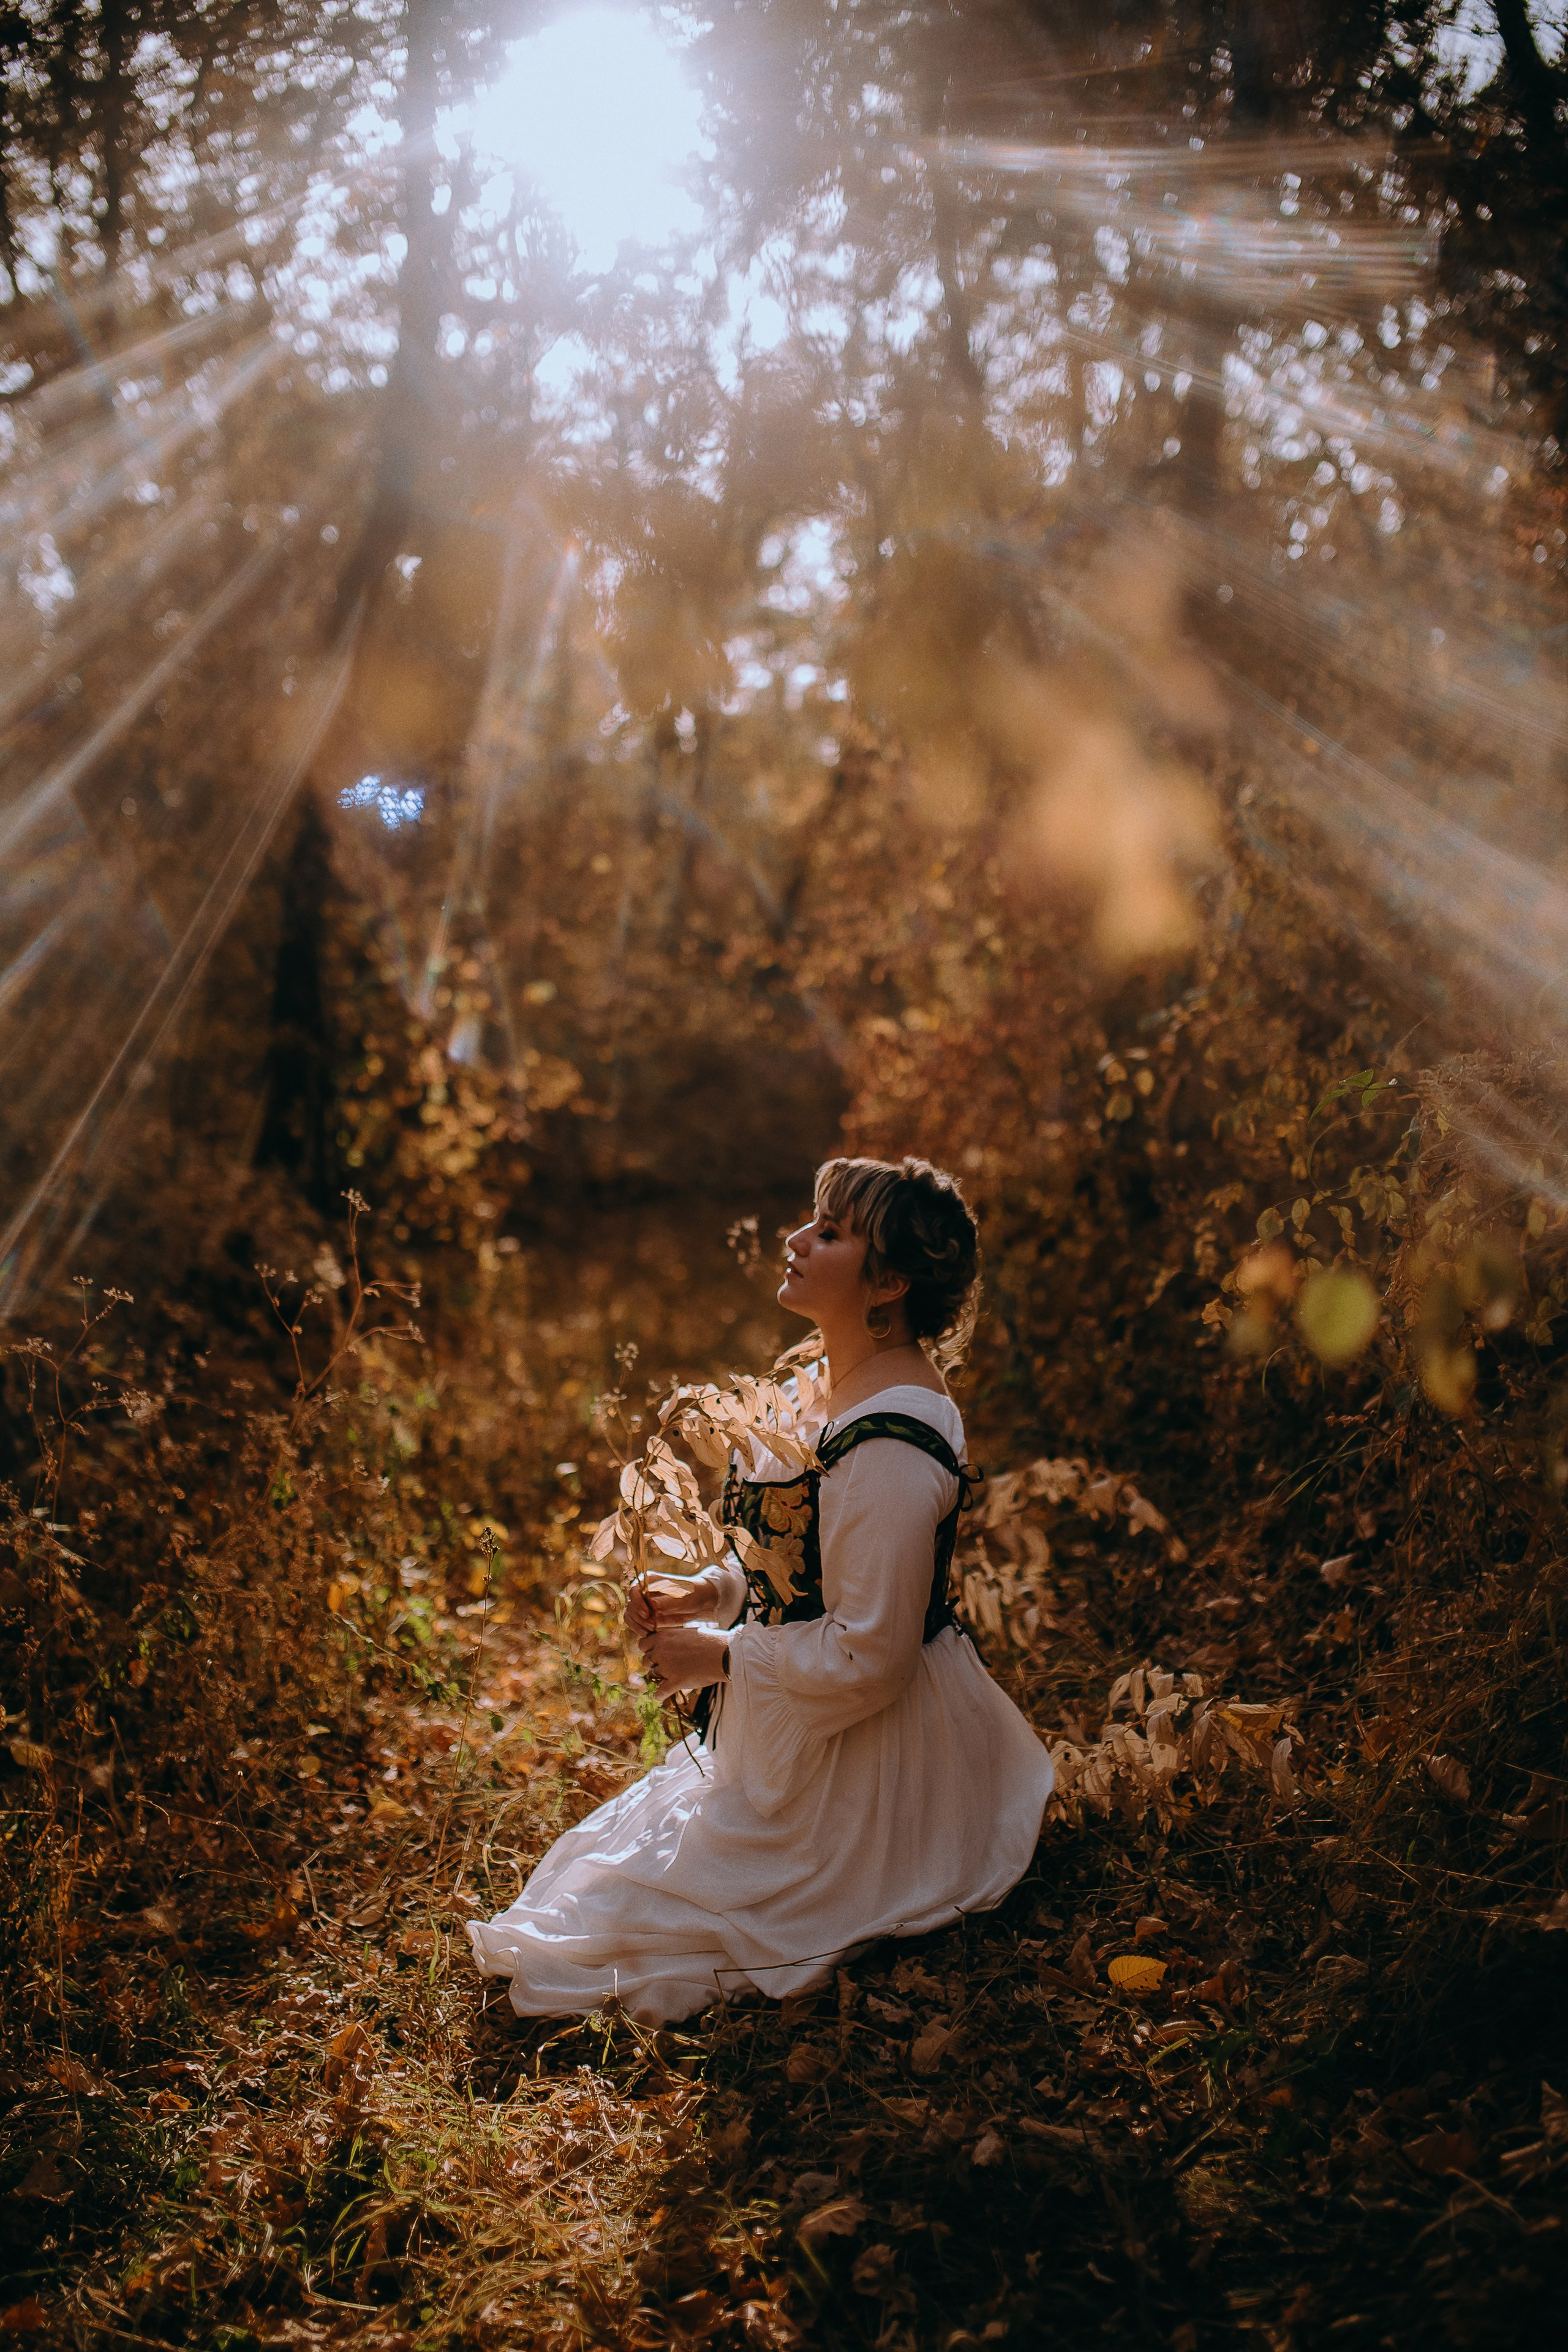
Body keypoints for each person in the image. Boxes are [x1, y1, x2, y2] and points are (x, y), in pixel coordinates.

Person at [467, 1155, 1055, 2024]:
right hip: (808, 1718)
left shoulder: (893, 1441)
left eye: (829, 1232)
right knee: (595, 1881)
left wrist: (722, 1656)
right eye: (810, 1220)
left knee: (622, 1932)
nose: (795, 1240)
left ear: (887, 1281)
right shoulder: (821, 1386)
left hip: (876, 1747)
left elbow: (871, 1650)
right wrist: (708, 1595)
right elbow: (794, 1561)